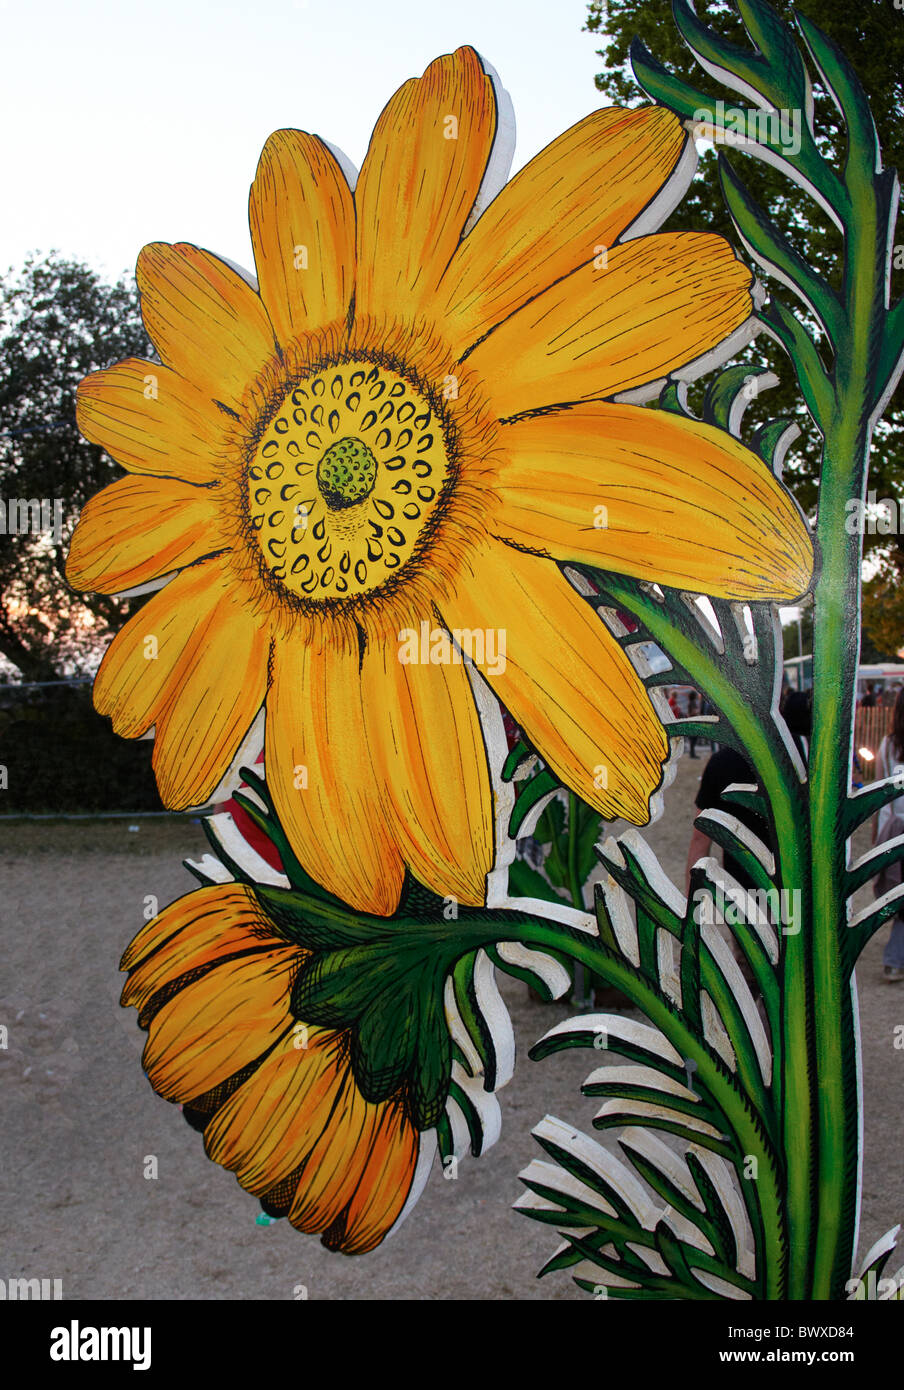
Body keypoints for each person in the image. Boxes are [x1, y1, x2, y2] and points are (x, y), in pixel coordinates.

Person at [872, 687, 904, 982]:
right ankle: (895, 958)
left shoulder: (888, 745)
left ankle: (895, 958)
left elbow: (882, 791)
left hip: (894, 828)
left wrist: (877, 834)